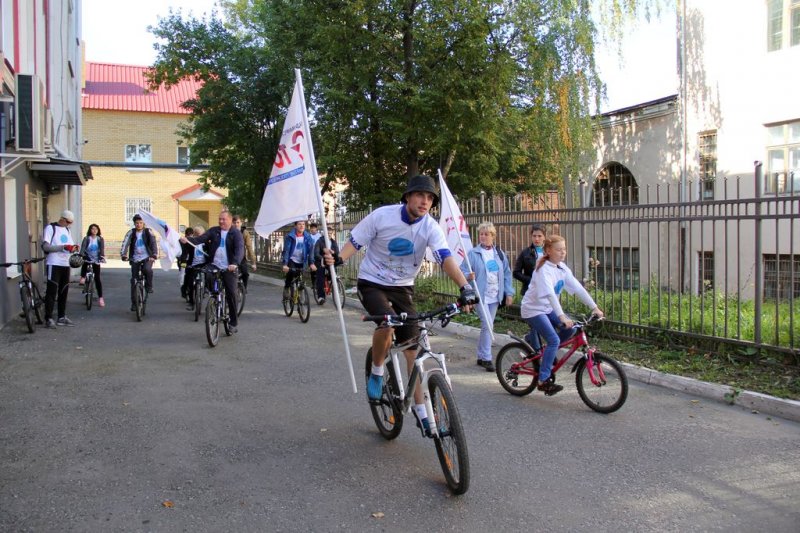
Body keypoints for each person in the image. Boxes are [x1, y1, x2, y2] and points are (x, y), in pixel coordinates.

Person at [323, 174, 478, 432]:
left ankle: (422, 412)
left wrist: (465, 287)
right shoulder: (382, 216)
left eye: (430, 198)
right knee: (387, 324)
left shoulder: (430, 227)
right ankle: (377, 371)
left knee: (412, 351)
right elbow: (355, 242)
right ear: (407, 197)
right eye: (420, 195)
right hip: (372, 283)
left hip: (403, 287)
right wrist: (338, 259)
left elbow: (445, 257)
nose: (425, 201)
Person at [520, 234, 604, 395]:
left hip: (547, 308)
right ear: (548, 251)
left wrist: (594, 307)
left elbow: (578, 289)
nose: (563, 252)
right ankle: (543, 380)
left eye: (564, 249)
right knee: (554, 340)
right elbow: (550, 295)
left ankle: (543, 350)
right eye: (558, 250)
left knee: (570, 330)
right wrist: (562, 316)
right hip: (533, 309)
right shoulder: (543, 270)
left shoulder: (562, 268)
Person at [461, 221, 514, 372]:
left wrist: (509, 293)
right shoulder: (473, 253)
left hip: (495, 295)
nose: (483, 237)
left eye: (486, 234)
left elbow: (507, 274)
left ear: (493, 236)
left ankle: (480, 355)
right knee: (488, 325)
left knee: (487, 326)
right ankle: (486, 358)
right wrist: (468, 275)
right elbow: (462, 270)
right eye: (481, 234)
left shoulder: (499, 254)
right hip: (480, 295)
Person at [184, 212, 244, 332]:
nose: (221, 221)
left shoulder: (236, 233)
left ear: (230, 220)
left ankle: (233, 322)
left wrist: (235, 263)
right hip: (214, 264)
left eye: (223, 219)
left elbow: (239, 249)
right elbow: (200, 239)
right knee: (207, 275)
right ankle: (214, 298)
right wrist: (187, 240)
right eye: (219, 219)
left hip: (229, 266)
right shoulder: (214, 231)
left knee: (231, 293)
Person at [41, 210, 79, 327]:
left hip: (65, 264)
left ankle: (61, 317)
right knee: (52, 291)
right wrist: (63, 247)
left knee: (64, 291)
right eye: (68, 222)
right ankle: (48, 318)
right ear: (62, 219)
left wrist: (73, 248)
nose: (69, 224)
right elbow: (46, 247)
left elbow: (69, 245)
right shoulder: (50, 228)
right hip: (54, 263)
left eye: (71, 223)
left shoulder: (67, 230)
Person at [513, 224, 547, 349]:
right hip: (530, 293)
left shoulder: (549, 252)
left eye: (539, 236)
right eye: (534, 236)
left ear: (544, 237)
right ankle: (536, 352)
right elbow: (516, 273)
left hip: (546, 293)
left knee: (544, 323)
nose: (536, 239)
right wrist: (531, 280)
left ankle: (528, 339)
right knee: (534, 323)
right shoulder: (525, 253)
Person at [120, 214, 158, 312]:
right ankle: (134, 303)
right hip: (135, 258)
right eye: (137, 223)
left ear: (144, 223)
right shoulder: (131, 233)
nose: (139, 224)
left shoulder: (148, 231)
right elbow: (125, 243)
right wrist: (123, 255)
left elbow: (153, 243)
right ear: (134, 224)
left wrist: (154, 254)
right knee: (134, 280)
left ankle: (149, 286)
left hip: (147, 257)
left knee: (147, 269)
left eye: (141, 223)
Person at [281, 220, 317, 302]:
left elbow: (311, 250)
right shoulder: (290, 236)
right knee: (291, 273)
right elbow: (286, 251)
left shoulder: (308, 237)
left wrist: (311, 263)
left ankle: (300, 292)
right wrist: (285, 264)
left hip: (302, 261)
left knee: (301, 279)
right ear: (295, 226)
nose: (302, 226)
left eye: (303, 224)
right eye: (299, 224)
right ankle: (287, 288)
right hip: (292, 259)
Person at [79, 224, 106, 308]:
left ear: (98, 230)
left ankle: (100, 298)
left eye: (96, 229)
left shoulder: (100, 239)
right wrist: (82, 255)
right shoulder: (87, 238)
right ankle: (83, 277)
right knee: (85, 263)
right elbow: (83, 248)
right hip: (87, 257)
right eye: (92, 229)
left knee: (97, 278)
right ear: (90, 230)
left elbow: (102, 249)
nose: (94, 230)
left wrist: (101, 256)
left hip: (96, 259)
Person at [313, 229, 343, 304]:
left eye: (330, 233)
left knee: (333, 274)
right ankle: (321, 297)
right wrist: (323, 258)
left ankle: (332, 286)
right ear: (324, 234)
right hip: (321, 262)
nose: (329, 235)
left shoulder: (333, 242)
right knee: (320, 277)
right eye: (327, 233)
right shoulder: (319, 241)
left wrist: (334, 254)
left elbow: (337, 253)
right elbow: (316, 253)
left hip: (330, 262)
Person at [183, 226, 206, 310]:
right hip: (193, 265)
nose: (198, 236)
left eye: (200, 234)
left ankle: (207, 289)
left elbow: (211, 252)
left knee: (210, 276)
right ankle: (191, 302)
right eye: (196, 234)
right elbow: (185, 253)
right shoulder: (191, 243)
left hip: (204, 264)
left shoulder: (206, 243)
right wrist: (184, 262)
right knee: (190, 282)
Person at [232, 215, 257, 289]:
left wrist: (253, 262)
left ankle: (244, 289)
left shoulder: (245, 233)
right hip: (231, 257)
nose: (236, 224)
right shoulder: (230, 232)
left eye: (238, 222)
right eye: (234, 222)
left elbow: (249, 247)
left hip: (241, 257)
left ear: (241, 223)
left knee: (245, 273)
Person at [178, 226, 195, 299]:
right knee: (183, 273)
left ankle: (184, 287)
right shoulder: (182, 241)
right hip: (184, 260)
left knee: (184, 273)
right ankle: (183, 287)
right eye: (189, 235)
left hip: (187, 261)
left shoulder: (192, 241)